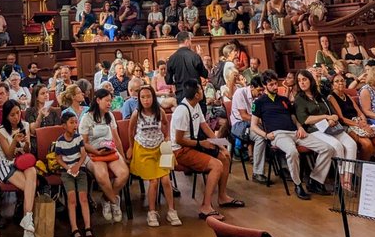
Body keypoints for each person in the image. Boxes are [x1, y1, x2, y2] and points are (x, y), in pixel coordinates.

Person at [172, 81, 241, 219]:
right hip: (180, 150)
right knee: (217, 165)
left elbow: (205, 127)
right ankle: (205, 206)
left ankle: (222, 197)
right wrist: (201, 143)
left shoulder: (196, 105)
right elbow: (179, 140)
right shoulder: (182, 111)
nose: (203, 91)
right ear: (197, 95)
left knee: (224, 157)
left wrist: (221, 146)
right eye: (200, 90)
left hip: (194, 145)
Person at [293, 70, 358, 192]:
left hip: (330, 127)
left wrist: (333, 118)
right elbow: (305, 120)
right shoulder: (299, 99)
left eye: (304, 79)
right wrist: (326, 117)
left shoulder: (320, 96)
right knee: (337, 146)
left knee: (351, 144)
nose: (302, 83)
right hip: (314, 130)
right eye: (299, 81)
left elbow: (333, 113)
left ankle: (348, 179)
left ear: (310, 80)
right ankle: (341, 180)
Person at [249, 73, 310, 200]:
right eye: (271, 84)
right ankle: (298, 185)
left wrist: (299, 127)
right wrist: (265, 135)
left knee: (326, 147)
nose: (275, 87)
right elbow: (253, 126)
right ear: (264, 85)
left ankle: (316, 181)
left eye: (276, 83)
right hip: (277, 135)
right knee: (292, 151)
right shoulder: (259, 102)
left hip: (294, 132)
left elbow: (293, 117)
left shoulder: (284, 100)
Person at [127, 85, 180, 227]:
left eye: (148, 96)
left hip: (159, 148)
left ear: (153, 97)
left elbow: (165, 123)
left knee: (166, 180)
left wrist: (167, 136)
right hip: (143, 148)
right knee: (154, 181)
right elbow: (131, 131)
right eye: (143, 97)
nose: (146, 100)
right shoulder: (136, 114)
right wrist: (131, 147)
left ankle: (171, 210)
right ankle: (152, 212)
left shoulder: (159, 111)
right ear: (139, 99)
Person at [0, 100, 39, 237]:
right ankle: (28, 228)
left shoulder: (25, 125)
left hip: (23, 162)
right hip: (8, 165)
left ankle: (27, 223)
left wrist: (26, 143)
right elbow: (8, 155)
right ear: (6, 116)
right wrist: (14, 140)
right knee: (29, 188)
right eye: (12, 115)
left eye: (18, 113)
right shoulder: (0, 131)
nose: (16, 117)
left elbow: (27, 151)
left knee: (32, 170)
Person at [79, 89, 129, 223]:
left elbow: (116, 138)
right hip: (93, 152)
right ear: (98, 100)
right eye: (107, 101)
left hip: (109, 150)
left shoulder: (109, 116)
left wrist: (122, 156)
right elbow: (84, 143)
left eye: (110, 101)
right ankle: (115, 202)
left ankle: (106, 199)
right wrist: (96, 152)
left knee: (123, 173)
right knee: (102, 176)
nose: (109, 104)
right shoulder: (87, 118)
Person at [53, 109, 95, 237]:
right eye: (71, 123)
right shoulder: (60, 141)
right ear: (64, 126)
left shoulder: (78, 138)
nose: (75, 125)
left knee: (83, 198)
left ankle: (88, 227)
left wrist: (77, 166)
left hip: (80, 171)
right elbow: (58, 158)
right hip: (67, 173)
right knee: (72, 199)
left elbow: (83, 154)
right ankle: (74, 229)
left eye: (76, 122)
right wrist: (68, 168)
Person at [327, 72, 375, 161]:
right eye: (337, 81)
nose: (340, 83)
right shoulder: (331, 97)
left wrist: (364, 122)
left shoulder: (348, 96)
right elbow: (342, 118)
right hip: (348, 125)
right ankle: (362, 165)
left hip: (359, 122)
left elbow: (360, 112)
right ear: (332, 85)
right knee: (367, 144)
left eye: (342, 81)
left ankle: (361, 160)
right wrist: (359, 125)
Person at [166, 30, 209, 94]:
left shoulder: (171, 58)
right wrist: (201, 57)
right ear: (187, 41)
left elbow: (168, 80)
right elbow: (205, 74)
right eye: (190, 41)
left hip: (180, 93)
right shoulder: (195, 56)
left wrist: (177, 82)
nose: (191, 43)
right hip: (195, 93)